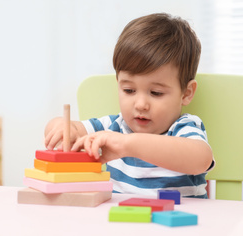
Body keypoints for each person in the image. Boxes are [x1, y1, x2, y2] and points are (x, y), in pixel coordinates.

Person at [44, 13, 214, 198]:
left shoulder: (183, 128)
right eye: (129, 90)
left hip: (178, 223)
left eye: (156, 93)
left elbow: (201, 159)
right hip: (122, 223)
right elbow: (69, 130)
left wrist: (127, 145)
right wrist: (63, 127)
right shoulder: (113, 127)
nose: (141, 104)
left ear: (186, 93)